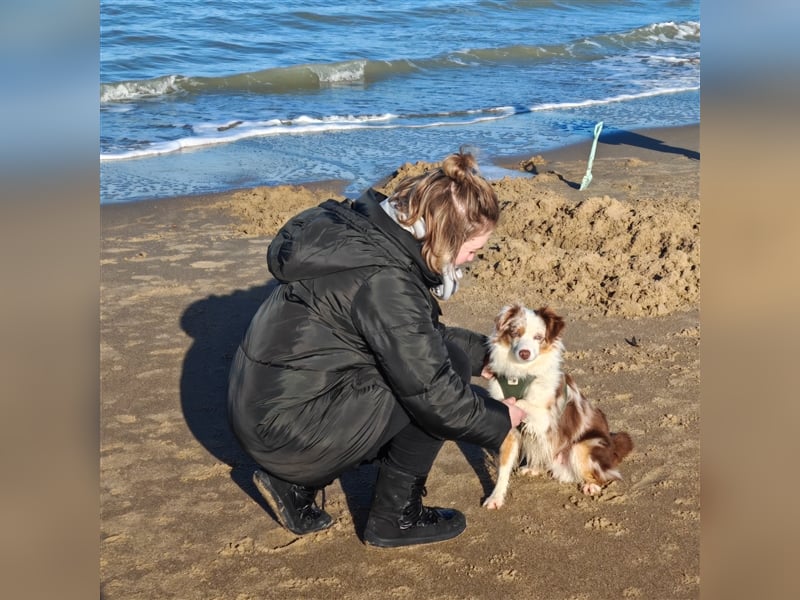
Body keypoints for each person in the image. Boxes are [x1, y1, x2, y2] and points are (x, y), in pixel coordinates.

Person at [227, 148, 525, 548]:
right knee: (444, 375)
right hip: (285, 433)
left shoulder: (366, 240)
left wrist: (490, 357)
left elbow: (415, 336)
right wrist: (500, 418)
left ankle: (292, 483)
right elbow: (434, 393)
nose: (470, 261)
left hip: (261, 410)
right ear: (444, 237)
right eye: (472, 250)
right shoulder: (387, 281)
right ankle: (396, 518)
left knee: (434, 361)